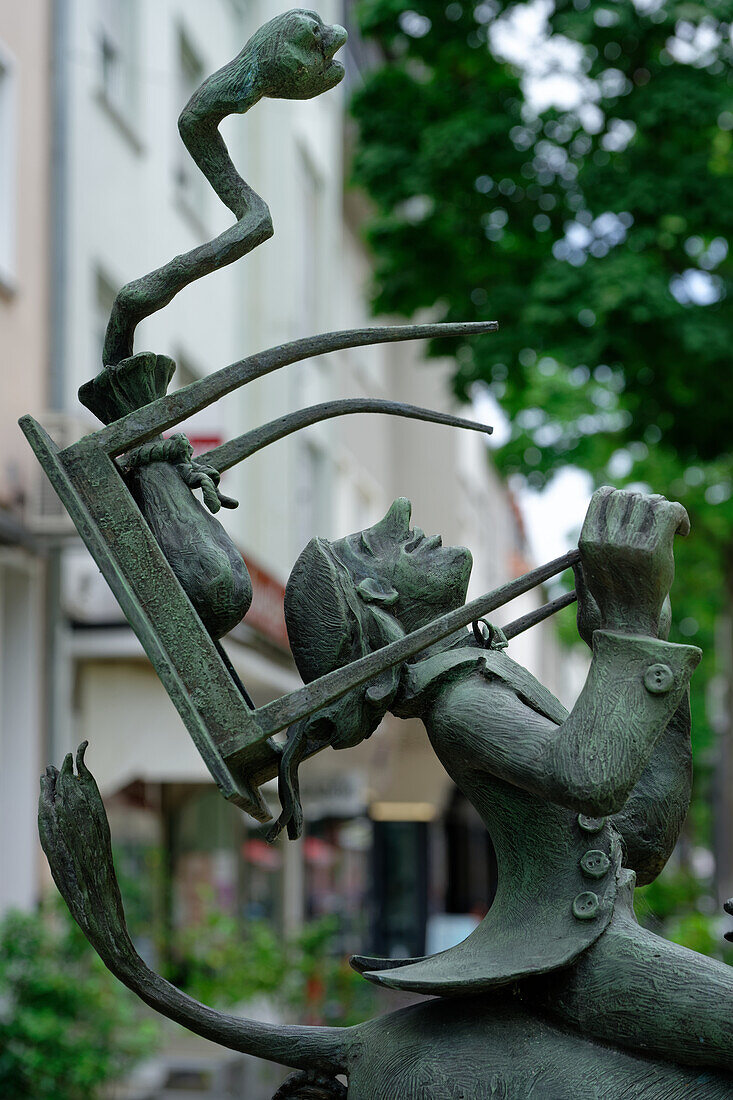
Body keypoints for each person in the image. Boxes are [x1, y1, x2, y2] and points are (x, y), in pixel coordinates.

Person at [281, 486, 733, 1072]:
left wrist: (644, 629)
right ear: (379, 594)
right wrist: (627, 628)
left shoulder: (482, 677)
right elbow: (588, 775)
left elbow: (640, 839)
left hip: (596, 945)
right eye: (376, 544)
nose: (404, 519)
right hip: (579, 959)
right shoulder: (460, 704)